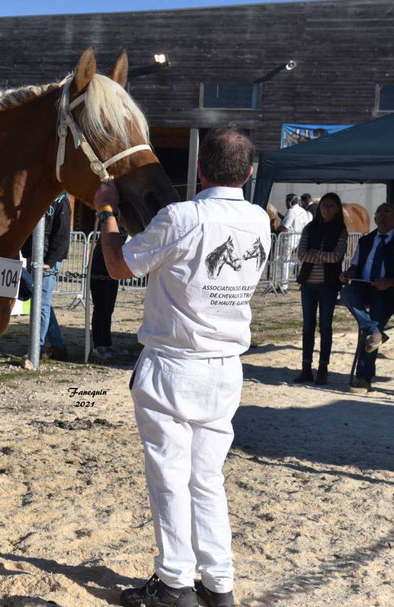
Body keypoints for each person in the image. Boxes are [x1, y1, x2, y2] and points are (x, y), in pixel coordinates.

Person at [93, 127, 269, 607]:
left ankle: (174, 582)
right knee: (207, 478)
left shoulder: (182, 216)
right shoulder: (259, 221)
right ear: (250, 173)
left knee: (170, 475)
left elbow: (117, 265)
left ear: (199, 169)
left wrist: (106, 209)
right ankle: (218, 582)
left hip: (174, 362)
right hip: (226, 364)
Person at [294, 193, 348, 385]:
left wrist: (314, 254)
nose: (326, 209)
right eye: (324, 205)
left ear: (337, 209)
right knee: (307, 326)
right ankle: (306, 367)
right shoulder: (309, 228)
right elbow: (301, 254)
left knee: (325, 326)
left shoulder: (341, 230)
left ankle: (323, 367)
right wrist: (322, 255)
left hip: (329, 285)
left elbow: (336, 256)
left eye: (331, 206)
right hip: (308, 283)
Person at [340, 202, 394, 393]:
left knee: (373, 325)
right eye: (379, 213)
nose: (383, 216)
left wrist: (389, 282)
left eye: (388, 212)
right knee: (346, 292)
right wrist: (348, 273)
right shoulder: (366, 240)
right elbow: (355, 265)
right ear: (375, 219)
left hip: (389, 292)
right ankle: (375, 331)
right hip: (365, 287)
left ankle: (363, 378)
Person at [22, 192, 71, 360]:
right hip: (35, 257)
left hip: (47, 260)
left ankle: (37, 347)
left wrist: (50, 261)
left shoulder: (61, 201)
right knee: (42, 303)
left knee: (41, 304)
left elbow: (62, 234)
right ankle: (57, 345)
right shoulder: (39, 198)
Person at [89, 223, 122, 359]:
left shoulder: (122, 231)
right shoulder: (109, 231)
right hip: (99, 271)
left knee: (109, 309)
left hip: (112, 272)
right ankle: (98, 345)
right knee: (101, 308)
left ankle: (107, 342)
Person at [278, 194, 311, 293]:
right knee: (300, 261)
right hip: (301, 239)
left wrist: (277, 228)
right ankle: (302, 280)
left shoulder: (291, 211)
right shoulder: (303, 211)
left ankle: (284, 286)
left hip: (290, 239)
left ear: (289, 201)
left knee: (284, 261)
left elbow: (285, 227)